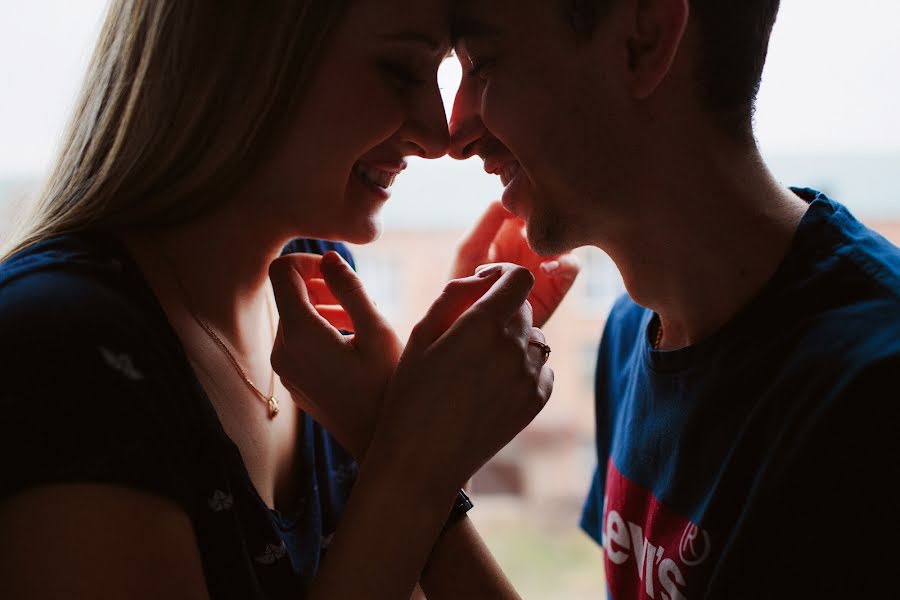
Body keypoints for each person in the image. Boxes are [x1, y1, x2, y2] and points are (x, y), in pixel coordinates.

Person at [0, 2, 569, 598]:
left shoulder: (318, 288)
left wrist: (408, 429)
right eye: (399, 70)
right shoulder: (64, 355)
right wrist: (414, 457)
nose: (438, 136)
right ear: (236, 64)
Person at [448, 0, 900, 597]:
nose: (455, 130)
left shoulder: (872, 395)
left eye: (484, 62)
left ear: (644, 39)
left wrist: (413, 472)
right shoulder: (629, 333)